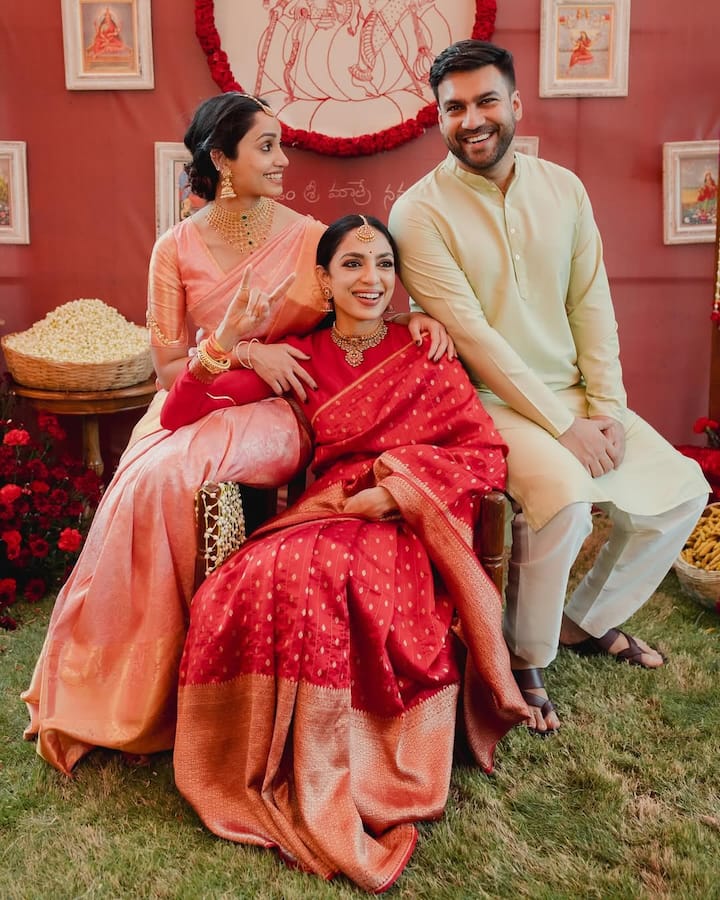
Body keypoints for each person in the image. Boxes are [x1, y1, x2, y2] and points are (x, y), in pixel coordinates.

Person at [22, 92, 445, 775]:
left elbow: (368, 290)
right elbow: (166, 369)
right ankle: (133, 682)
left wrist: (421, 315)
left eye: (281, 145)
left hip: (279, 412)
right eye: (267, 147)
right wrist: (247, 349)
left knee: (161, 476)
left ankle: (180, 685)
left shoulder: (309, 237)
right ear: (221, 159)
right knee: (145, 474)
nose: (283, 160)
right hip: (194, 398)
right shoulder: (174, 249)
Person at [160, 213, 528, 891]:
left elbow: (482, 454)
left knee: (332, 573)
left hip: (400, 522)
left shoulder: (425, 353)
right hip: (321, 509)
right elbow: (179, 412)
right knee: (250, 578)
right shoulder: (297, 355)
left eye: (384, 264)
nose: (372, 278)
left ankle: (346, 759)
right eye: (353, 264)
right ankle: (258, 754)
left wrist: (399, 494)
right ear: (324, 280)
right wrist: (236, 344)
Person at [388, 40, 709, 735]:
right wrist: (564, 430)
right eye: (454, 108)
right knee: (563, 500)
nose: (471, 120)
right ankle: (525, 656)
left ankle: (579, 621)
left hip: (574, 399)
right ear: (437, 117)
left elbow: (590, 305)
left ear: (516, 104)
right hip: (488, 404)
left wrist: (608, 411)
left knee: (683, 492)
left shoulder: (564, 188)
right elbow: (473, 337)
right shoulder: (419, 213)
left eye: (485, 102)